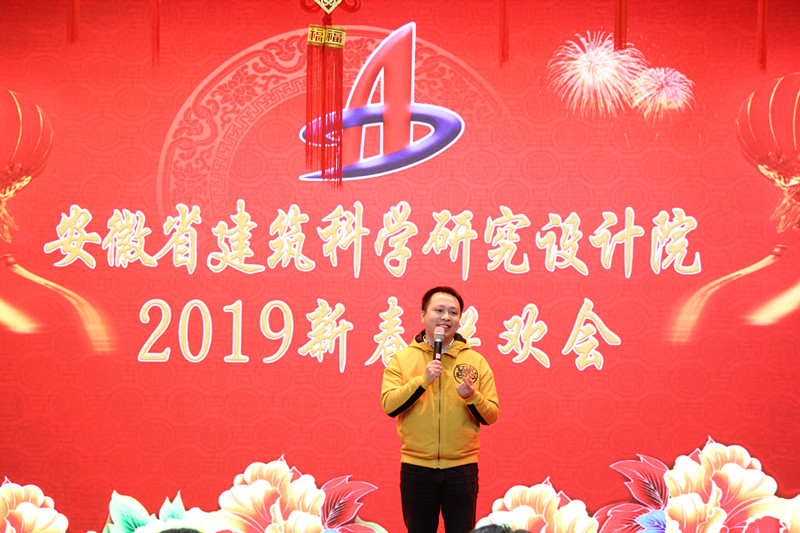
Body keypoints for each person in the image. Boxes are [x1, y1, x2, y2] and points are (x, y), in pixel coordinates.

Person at [380, 286, 500, 533]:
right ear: (423, 315)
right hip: (417, 468)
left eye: (453, 313)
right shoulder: (402, 359)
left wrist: (472, 397)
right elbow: (389, 405)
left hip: (461, 468)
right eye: (439, 310)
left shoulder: (475, 361)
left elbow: (491, 415)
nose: (446, 317)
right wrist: (423, 380)